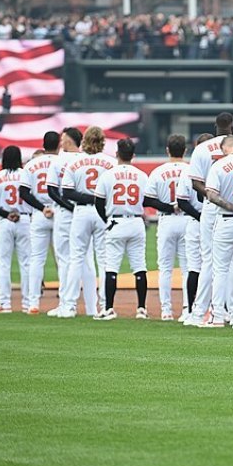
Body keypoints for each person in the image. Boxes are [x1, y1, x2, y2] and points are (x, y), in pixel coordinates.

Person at [184, 114, 233, 327]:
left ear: (215, 126)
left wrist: (213, 194)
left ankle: (199, 312)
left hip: (213, 208)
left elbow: (196, 184)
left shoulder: (202, 149)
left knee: (210, 261)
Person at [57, 126, 117, 318]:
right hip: (103, 212)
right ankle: (105, 306)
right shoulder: (111, 162)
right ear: (102, 141)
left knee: (76, 259)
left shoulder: (75, 162)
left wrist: (88, 198)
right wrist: (97, 199)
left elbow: (67, 192)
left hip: (81, 211)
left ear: (84, 142)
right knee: (104, 259)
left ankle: (69, 306)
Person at [93, 138, 150, 321]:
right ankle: (141, 308)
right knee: (139, 266)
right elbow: (147, 200)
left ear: (116, 154)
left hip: (115, 221)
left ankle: (109, 308)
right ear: (133, 155)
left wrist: (106, 219)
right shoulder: (141, 175)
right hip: (135, 221)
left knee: (111, 267)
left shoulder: (108, 175)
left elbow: (98, 203)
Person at [45, 127, 98, 317]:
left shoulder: (59, 160)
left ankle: (67, 304)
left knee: (66, 259)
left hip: (67, 213)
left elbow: (52, 191)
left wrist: (70, 208)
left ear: (67, 141)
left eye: (63, 138)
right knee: (87, 259)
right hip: (87, 210)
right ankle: (93, 307)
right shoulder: (86, 159)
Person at [203, 136, 233, 328]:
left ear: (224, 149)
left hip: (227, 219)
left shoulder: (219, 165)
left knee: (221, 269)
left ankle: (218, 316)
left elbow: (211, 195)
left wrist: (232, 207)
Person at [144, 134, 189, 321]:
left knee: (165, 268)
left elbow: (147, 199)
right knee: (189, 267)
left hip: (167, 220)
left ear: (167, 150)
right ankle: (188, 308)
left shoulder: (158, 171)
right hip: (188, 220)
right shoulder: (191, 169)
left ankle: (166, 310)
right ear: (185, 150)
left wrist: (169, 207)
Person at [0, 145, 31, 314]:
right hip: (25, 219)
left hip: (4, 221)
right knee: (26, 263)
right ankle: (27, 304)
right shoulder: (26, 174)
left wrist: (5, 213)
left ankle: (5, 304)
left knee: (3, 264)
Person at [19, 131, 60, 315]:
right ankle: (66, 301)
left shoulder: (32, 164)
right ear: (59, 144)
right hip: (61, 212)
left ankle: (32, 303)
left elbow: (24, 193)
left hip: (38, 213)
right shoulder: (63, 162)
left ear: (43, 144)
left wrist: (41, 208)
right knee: (64, 259)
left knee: (36, 259)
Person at [175, 134, 212, 320]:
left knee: (195, 268)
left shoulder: (189, 170)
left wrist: (200, 217)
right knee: (223, 266)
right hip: (218, 222)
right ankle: (223, 310)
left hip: (196, 222)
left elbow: (182, 201)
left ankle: (191, 311)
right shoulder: (222, 167)